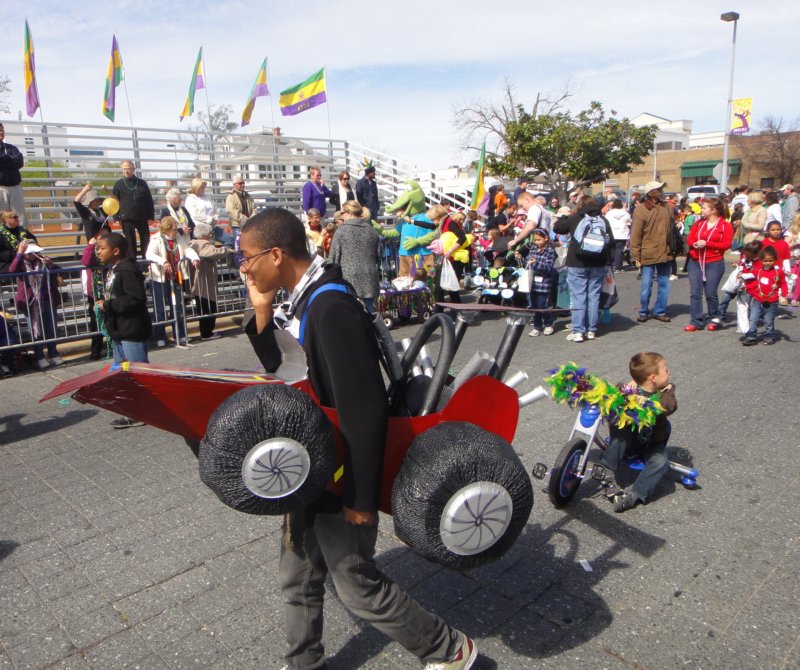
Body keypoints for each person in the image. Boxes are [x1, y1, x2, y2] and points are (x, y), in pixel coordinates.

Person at [238, 208, 475, 670]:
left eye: (247, 257)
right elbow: (286, 373)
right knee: (298, 575)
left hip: (339, 469)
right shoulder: (305, 298)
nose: (244, 268)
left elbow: (363, 410)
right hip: (311, 466)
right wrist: (262, 310)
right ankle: (304, 662)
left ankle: (450, 650)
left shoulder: (330, 307)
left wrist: (360, 497)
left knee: (357, 584)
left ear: (276, 254)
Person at [599, 352, 677, 513]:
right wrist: (622, 395)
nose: (668, 372)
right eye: (666, 370)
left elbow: (670, 405)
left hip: (651, 444)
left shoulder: (665, 392)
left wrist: (651, 404)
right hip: (629, 441)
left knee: (660, 462)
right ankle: (606, 471)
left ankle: (633, 495)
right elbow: (612, 395)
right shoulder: (629, 389)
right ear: (653, 378)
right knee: (619, 437)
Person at [95, 233, 152, 427]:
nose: (98, 252)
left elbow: (136, 299)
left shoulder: (127, 271)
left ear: (116, 250)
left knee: (137, 373)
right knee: (123, 373)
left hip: (132, 330)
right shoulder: (115, 270)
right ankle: (132, 411)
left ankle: (144, 412)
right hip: (119, 330)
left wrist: (108, 305)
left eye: (102, 248)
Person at [553, 195, 614, 342]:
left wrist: (563, 216)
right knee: (594, 296)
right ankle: (591, 330)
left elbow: (557, 228)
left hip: (577, 262)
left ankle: (578, 331)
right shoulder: (603, 220)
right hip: (598, 262)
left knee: (578, 296)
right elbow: (611, 241)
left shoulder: (575, 218)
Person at [9, 240, 64, 368]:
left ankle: (53, 353)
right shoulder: (21, 263)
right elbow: (11, 271)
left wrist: (52, 264)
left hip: (48, 299)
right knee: (36, 330)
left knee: (51, 328)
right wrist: (19, 253)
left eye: (34, 251)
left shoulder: (43, 261)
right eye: (29, 252)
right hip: (31, 302)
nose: (32, 254)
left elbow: (61, 272)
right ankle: (39, 357)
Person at [146, 217, 199, 346]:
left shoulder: (178, 238)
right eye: (174, 228)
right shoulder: (156, 239)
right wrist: (163, 261)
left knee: (178, 307)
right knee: (160, 308)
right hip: (159, 279)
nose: (177, 230)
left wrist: (194, 258)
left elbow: (187, 249)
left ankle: (180, 334)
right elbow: (150, 254)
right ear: (167, 229)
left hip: (175, 277)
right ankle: (160, 337)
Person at [684, 198, 734, 332]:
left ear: (713, 211)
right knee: (695, 293)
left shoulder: (725, 226)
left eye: (704, 208)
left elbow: (726, 245)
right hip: (696, 262)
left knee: (710, 293)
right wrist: (694, 244)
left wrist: (707, 243)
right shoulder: (699, 223)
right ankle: (696, 321)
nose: (702, 210)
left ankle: (714, 318)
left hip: (714, 262)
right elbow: (690, 238)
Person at [631, 181, 674, 323]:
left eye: (661, 189)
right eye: (658, 189)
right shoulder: (641, 210)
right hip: (648, 253)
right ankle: (643, 311)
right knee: (646, 285)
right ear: (650, 193)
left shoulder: (667, 207)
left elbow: (672, 228)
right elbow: (636, 234)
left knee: (664, 284)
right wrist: (635, 255)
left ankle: (659, 311)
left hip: (666, 252)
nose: (661, 191)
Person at [328, 200, 381, 313]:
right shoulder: (372, 231)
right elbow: (377, 257)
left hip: (348, 281)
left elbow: (333, 259)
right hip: (369, 280)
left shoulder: (341, 231)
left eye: (342, 213)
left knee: (350, 317)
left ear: (350, 213)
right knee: (368, 317)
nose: (341, 216)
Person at [189, 222, 233, 341]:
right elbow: (211, 252)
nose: (210, 235)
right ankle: (206, 333)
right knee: (208, 308)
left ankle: (207, 331)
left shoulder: (194, 243)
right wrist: (226, 250)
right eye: (209, 233)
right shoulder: (202, 244)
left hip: (202, 280)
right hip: (204, 281)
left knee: (205, 307)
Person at [742, 246, 787, 346]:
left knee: (768, 320)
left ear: (775, 260)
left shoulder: (778, 272)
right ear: (761, 260)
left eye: (770, 261)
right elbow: (747, 274)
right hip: (758, 299)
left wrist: (784, 294)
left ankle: (769, 336)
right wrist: (740, 276)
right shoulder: (758, 270)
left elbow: (783, 283)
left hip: (772, 300)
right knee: (753, 318)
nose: (767, 263)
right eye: (765, 261)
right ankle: (751, 336)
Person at [112, 160, 155, 258]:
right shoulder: (118, 184)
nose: (126, 171)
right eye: (124, 169)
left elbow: (149, 200)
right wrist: (116, 217)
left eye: (128, 168)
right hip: (126, 218)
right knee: (130, 242)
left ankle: (146, 261)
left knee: (145, 240)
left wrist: (151, 216)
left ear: (133, 169)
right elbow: (114, 202)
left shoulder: (142, 183)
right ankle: (132, 262)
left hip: (142, 217)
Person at [81, 231, 112, 360]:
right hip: (95, 291)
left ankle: (114, 346)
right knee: (96, 321)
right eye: (101, 235)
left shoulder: (111, 248)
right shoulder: (93, 250)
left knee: (112, 319)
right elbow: (86, 261)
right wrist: (90, 246)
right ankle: (96, 350)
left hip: (110, 289)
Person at [433, 208, 471, 305]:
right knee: (448, 286)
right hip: (447, 258)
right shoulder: (444, 223)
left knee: (446, 286)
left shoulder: (450, 223)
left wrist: (450, 251)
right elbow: (429, 226)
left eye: (433, 218)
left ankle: (444, 309)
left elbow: (462, 238)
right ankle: (451, 308)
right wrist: (413, 221)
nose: (433, 221)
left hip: (453, 258)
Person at [718, 240, 762, 320]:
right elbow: (741, 266)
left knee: (745, 304)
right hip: (736, 283)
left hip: (747, 286)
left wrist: (743, 275)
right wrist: (737, 266)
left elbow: (756, 273)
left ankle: (747, 320)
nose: (746, 256)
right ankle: (720, 315)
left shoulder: (758, 262)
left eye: (748, 255)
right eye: (745, 254)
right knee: (725, 298)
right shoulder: (744, 258)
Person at [526, 228, 556, 336]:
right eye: (535, 240)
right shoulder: (533, 249)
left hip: (544, 282)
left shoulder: (550, 251)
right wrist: (522, 259)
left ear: (546, 238)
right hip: (532, 281)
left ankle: (548, 323)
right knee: (534, 305)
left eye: (539, 240)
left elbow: (548, 267)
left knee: (541, 305)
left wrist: (536, 263)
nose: (536, 242)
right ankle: (537, 326)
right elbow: (528, 261)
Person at [0, 123, 27, 226]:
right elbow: (13, 162)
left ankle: (22, 235)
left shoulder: (12, 148)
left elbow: (19, 162)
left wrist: (4, 159)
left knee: (20, 217)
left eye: (2, 130)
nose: (1, 132)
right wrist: (10, 160)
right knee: (2, 217)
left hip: (15, 188)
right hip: (0, 188)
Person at [0, 210, 38, 274]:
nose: (17, 218)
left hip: (26, 261)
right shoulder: (1, 234)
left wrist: (30, 253)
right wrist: (18, 253)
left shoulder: (23, 230)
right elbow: (1, 254)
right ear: (6, 220)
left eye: (17, 216)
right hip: (7, 263)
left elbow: (34, 242)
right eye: (14, 217)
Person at [605, 199, 632, 271]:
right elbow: (629, 223)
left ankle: (611, 264)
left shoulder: (609, 213)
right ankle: (618, 266)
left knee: (611, 249)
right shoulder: (625, 213)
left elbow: (606, 223)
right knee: (619, 250)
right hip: (622, 234)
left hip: (611, 233)